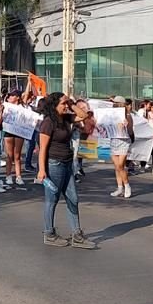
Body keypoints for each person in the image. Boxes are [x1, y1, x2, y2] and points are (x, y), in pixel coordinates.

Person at [36, 93, 94, 249]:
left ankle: (77, 235)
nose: (65, 106)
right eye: (63, 103)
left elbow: (83, 116)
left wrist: (72, 102)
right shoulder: (48, 123)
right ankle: (49, 233)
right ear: (54, 105)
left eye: (66, 103)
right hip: (54, 164)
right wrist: (42, 170)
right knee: (52, 199)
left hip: (68, 164)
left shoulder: (66, 118)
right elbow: (43, 149)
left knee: (73, 199)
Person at [106, 96, 134, 199]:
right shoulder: (111, 114)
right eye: (115, 103)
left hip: (124, 141)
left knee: (121, 165)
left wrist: (126, 125)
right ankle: (119, 188)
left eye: (118, 103)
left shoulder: (127, 115)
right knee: (117, 166)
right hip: (114, 140)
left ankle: (127, 186)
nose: (116, 105)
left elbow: (130, 130)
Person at [2, 90, 27, 188]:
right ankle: (8, 176)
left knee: (17, 155)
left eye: (13, 96)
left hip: (19, 131)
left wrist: (29, 81)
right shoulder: (6, 106)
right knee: (9, 155)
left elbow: (26, 95)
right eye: (10, 96)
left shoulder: (23, 107)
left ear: (17, 97)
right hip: (9, 130)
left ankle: (18, 176)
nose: (10, 97)